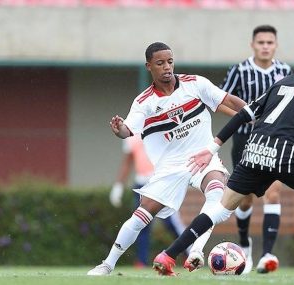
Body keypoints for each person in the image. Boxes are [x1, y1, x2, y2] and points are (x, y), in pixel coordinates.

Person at [153, 37, 294, 277]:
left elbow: (243, 115)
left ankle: (168, 255)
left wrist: (212, 148)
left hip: (253, 151)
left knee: (220, 210)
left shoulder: (282, 82)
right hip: (286, 155)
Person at [87, 42, 246, 276]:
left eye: (169, 61)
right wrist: (119, 128)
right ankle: (108, 264)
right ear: (149, 66)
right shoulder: (144, 102)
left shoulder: (195, 83)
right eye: (160, 63)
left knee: (216, 191)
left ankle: (196, 251)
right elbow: (127, 130)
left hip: (202, 156)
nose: (166, 67)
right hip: (170, 167)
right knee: (142, 214)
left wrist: (253, 114)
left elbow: (228, 101)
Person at [220, 24, 292, 274]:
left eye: (269, 42)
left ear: (276, 45)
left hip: (274, 142)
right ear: (253, 45)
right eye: (261, 42)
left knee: (274, 192)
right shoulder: (239, 71)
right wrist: (244, 117)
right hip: (244, 141)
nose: (265, 46)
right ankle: (245, 248)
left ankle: (268, 254)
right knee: (245, 198)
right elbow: (221, 100)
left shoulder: (285, 71)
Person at [109, 135, 187, 267]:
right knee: (140, 224)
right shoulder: (131, 131)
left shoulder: (161, 122)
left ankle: (189, 254)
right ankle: (141, 261)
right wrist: (118, 186)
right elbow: (128, 161)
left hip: (161, 180)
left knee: (171, 223)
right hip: (142, 183)